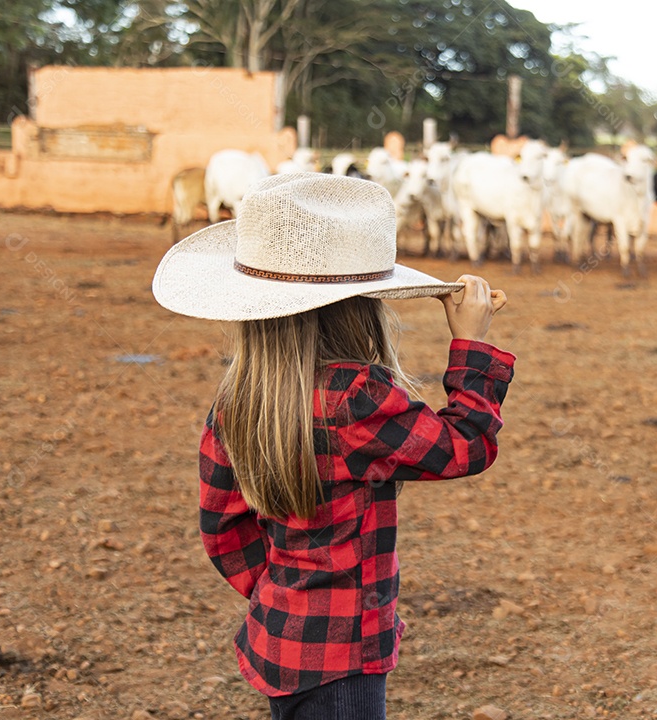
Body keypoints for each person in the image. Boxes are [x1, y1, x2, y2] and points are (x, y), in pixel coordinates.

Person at [152, 173, 515, 719]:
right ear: (362, 307)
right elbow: (466, 444)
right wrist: (471, 343)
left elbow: (222, 528)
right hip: (343, 657)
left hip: (281, 640)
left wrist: (286, 592)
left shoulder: (236, 399)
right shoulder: (356, 398)